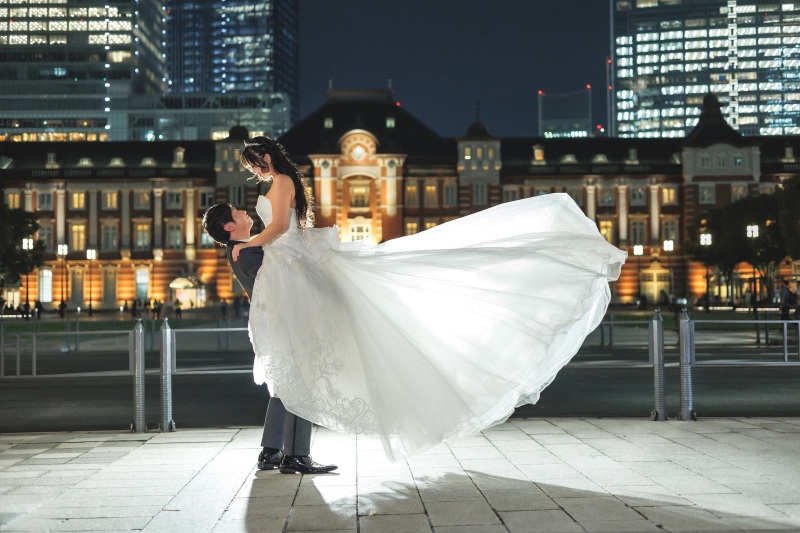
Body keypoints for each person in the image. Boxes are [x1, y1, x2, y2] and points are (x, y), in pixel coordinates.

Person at [219, 136, 627, 461]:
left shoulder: (281, 185)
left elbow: (276, 232)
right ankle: (283, 451)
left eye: (254, 164)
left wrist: (247, 244)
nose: (253, 172)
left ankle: (284, 451)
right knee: (300, 367)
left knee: (303, 365)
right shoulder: (280, 185)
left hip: (292, 270)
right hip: (291, 271)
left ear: (266, 158)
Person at [202, 202, 337, 475]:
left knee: (283, 387)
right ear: (230, 227)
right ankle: (297, 455)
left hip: (273, 324)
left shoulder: (246, 247)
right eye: (236, 212)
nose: (242, 211)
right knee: (299, 384)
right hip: (283, 323)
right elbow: (282, 282)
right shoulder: (247, 252)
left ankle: (271, 451)